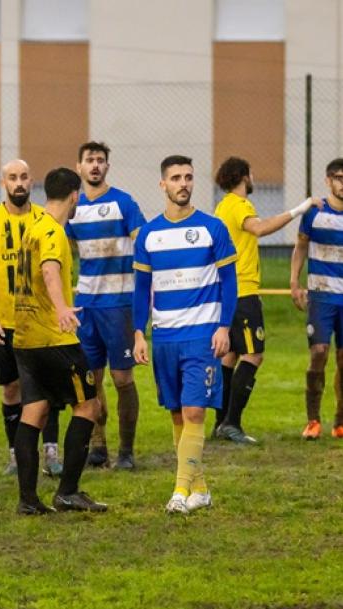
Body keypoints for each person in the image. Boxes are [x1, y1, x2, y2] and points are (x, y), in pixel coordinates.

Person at [133, 155, 237, 514]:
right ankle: (201, 488)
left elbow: (229, 281)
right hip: (164, 337)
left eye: (189, 177)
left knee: (195, 412)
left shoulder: (214, 228)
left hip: (202, 336)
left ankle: (179, 492)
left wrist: (224, 326)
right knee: (178, 414)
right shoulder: (148, 234)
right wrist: (138, 333)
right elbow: (141, 288)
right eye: (176, 178)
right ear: (163, 184)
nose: (183, 183)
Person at [12, 168, 106, 515]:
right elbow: (50, 271)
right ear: (74, 196)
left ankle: (27, 499)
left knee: (33, 412)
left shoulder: (31, 228)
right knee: (88, 406)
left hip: (25, 338)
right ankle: (68, 491)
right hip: (54, 338)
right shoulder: (52, 232)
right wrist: (62, 307)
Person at [213, 157, 317, 444]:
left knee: (230, 355)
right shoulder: (239, 205)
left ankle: (220, 422)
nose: (253, 177)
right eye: (251, 173)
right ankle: (231, 423)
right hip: (242, 291)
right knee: (254, 354)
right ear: (243, 176)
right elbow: (259, 228)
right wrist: (299, 209)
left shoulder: (223, 206)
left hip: (227, 290)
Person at [0, 159, 62, 478]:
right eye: (13, 178)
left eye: (24, 176)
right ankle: (15, 453)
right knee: (11, 389)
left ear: (32, 181)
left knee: (47, 386)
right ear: (3, 183)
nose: (19, 183)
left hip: (39, 321)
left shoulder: (44, 219)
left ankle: (51, 449)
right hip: (5, 322)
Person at [68, 141, 146, 469]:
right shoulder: (73, 209)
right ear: (79, 168)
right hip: (85, 305)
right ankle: (98, 445)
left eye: (101, 160)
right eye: (90, 160)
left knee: (122, 378)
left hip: (120, 304)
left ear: (107, 167)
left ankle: (126, 452)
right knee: (91, 378)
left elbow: (144, 246)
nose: (96, 165)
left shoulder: (124, 203)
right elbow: (66, 250)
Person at [291, 158, 343, 439]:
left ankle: (340, 421)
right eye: (338, 178)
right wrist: (294, 282)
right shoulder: (315, 212)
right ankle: (313, 420)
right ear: (328, 180)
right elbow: (300, 248)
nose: (342, 183)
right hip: (321, 296)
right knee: (319, 353)